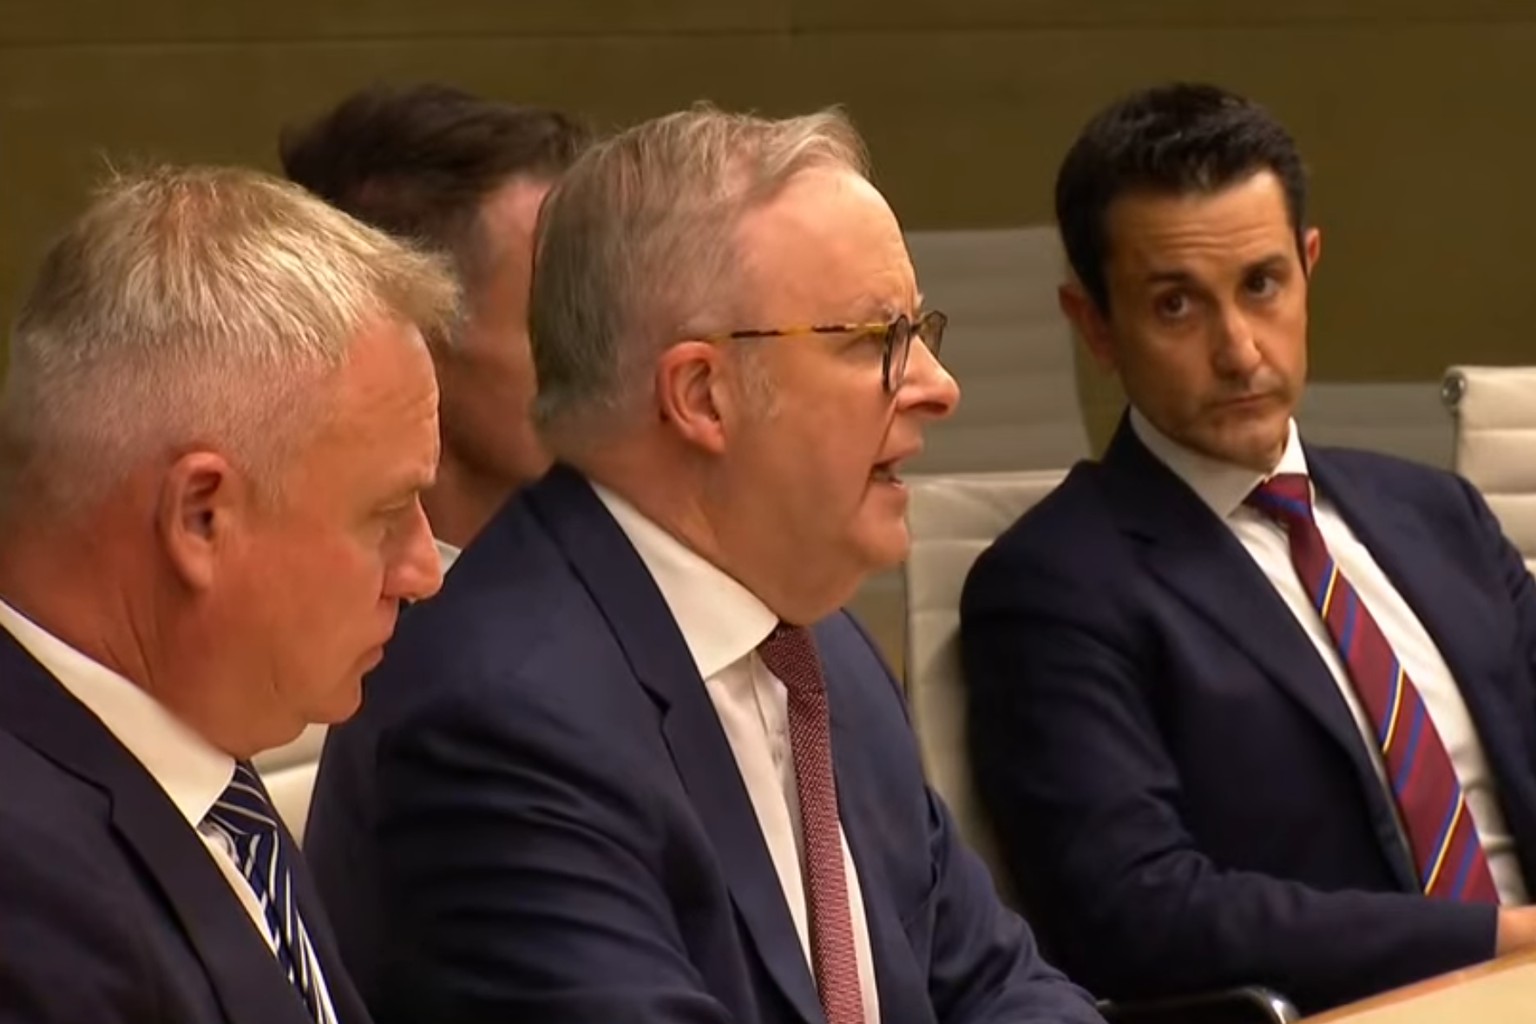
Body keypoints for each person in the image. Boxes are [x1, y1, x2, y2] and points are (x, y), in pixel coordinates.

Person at [306, 104, 1104, 1023]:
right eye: (874, 341)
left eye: (920, 333)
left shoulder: (821, 647)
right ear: (701, 396)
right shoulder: (498, 719)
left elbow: (998, 985)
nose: (938, 385)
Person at [961, 81, 1536, 1014]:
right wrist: (1502, 941)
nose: (1239, 351)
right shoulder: (1053, 588)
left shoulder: (1440, 516)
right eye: (1176, 306)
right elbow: (1137, 913)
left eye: (1262, 286)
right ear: (1095, 326)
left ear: (1309, 267)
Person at [0, 165, 453, 1023]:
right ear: (201, 517)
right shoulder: (27, 906)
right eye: (388, 514)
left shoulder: (198, 743)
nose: (423, 570)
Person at [282, 83, 590, 570]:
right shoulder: (306, 605)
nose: (610, 356)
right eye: (562, 318)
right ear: (414, 340)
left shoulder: (626, 573)